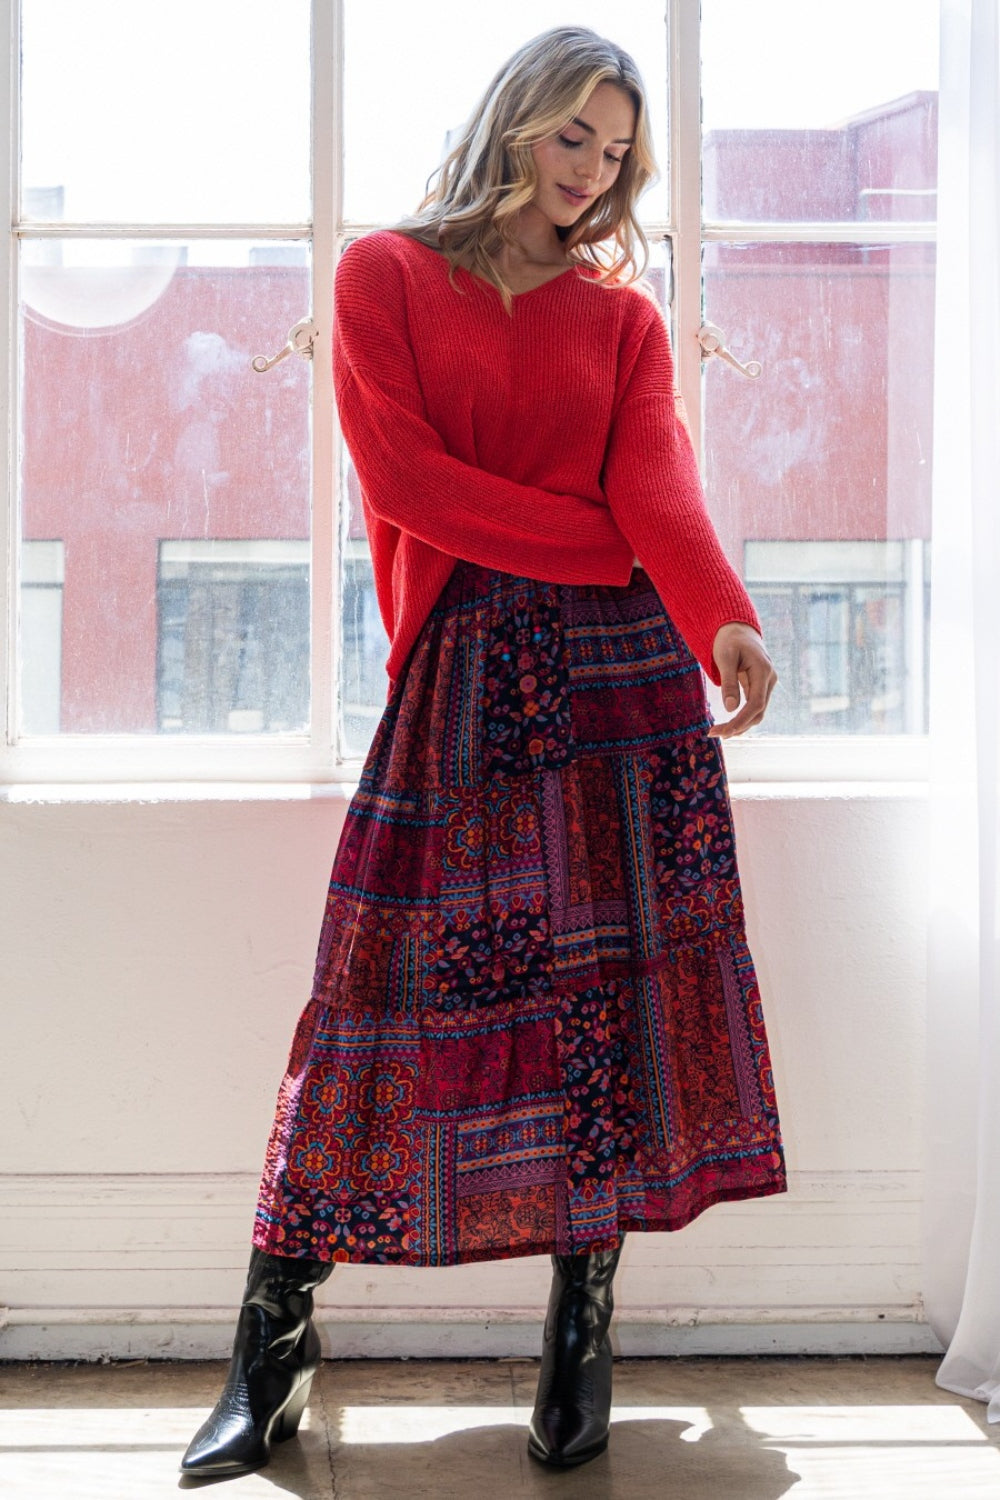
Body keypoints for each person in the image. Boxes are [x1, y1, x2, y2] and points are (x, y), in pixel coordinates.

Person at [181, 25, 786, 1480]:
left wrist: (723, 622)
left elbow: (658, 486)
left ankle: (584, 1324)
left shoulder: (625, 324)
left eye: (618, 154)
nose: (591, 175)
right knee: (372, 1009)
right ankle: (271, 1341)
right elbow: (411, 487)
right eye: (574, 137)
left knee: (604, 1010)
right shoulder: (385, 275)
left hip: (625, 695)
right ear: (516, 121)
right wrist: (604, 549)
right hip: (460, 681)